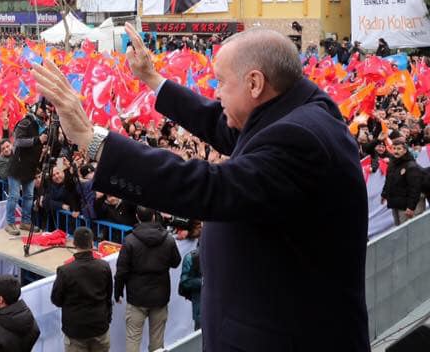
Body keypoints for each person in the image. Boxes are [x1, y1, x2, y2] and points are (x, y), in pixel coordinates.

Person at [32, 23, 369, 351]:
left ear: (254, 83)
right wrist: (152, 79)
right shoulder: (291, 109)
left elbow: (209, 187)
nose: (216, 93)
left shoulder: (299, 139)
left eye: (221, 82)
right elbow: (222, 124)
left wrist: (93, 141)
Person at [114, 207, 179, 352]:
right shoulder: (167, 239)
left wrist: (117, 292)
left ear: (137, 217)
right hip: (160, 297)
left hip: (137, 297)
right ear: (154, 217)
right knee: (157, 341)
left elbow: (121, 271)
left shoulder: (130, 240)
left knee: (133, 338)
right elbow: (176, 262)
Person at [50, 226, 114, 352]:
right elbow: (108, 295)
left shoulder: (65, 271)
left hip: (76, 330)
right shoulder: (104, 266)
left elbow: (56, 299)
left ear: (74, 244)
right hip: (99, 327)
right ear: (91, 243)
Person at [5, 104, 45, 236]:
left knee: (29, 196)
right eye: (41, 108)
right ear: (35, 109)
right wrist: (37, 140)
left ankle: (25, 222)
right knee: (14, 195)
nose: (44, 111)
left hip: (31, 167)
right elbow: (18, 141)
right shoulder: (25, 122)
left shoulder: (44, 126)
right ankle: (10, 223)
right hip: (17, 165)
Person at [382, 135, 426, 225]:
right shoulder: (391, 164)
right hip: (395, 203)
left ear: (405, 150)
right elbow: (388, 180)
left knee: (409, 231)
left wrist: (411, 207)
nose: (396, 151)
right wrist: (384, 194)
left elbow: (415, 188)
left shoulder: (411, 166)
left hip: (406, 206)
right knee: (398, 228)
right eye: (394, 148)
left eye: (399, 149)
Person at [178, 221, 203, 332]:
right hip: (200, 311)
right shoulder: (192, 258)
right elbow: (184, 283)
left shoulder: (223, 255)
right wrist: (202, 282)